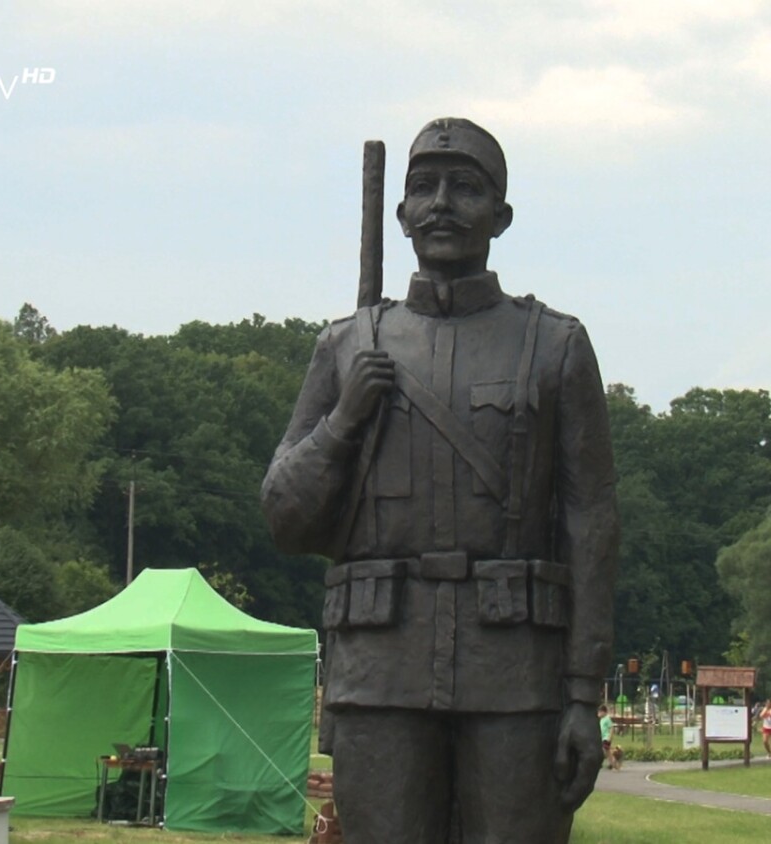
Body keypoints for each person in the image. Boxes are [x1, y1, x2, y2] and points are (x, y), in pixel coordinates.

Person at [262, 117, 619, 844]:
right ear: (400, 216)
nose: (442, 203)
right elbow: (285, 517)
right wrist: (345, 419)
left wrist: (584, 694)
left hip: (514, 673)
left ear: (502, 215)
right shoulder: (345, 345)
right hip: (381, 669)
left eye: (466, 187)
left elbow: (593, 524)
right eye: (423, 187)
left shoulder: (555, 347)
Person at [598, 705, 618, 771]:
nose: (599, 714)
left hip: (606, 738)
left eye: (600, 712)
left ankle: (614, 765)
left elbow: (612, 728)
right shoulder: (602, 719)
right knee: (606, 752)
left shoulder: (607, 718)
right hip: (602, 738)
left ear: (604, 712)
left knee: (607, 752)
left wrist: (610, 737)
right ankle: (612, 763)